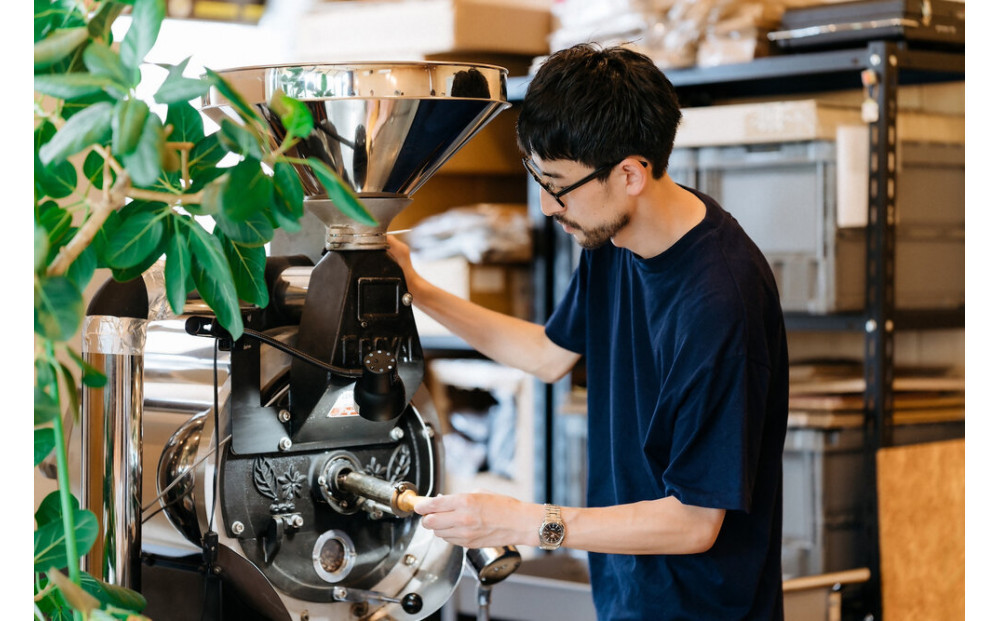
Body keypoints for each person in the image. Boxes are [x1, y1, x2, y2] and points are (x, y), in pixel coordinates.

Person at [387, 43, 789, 620]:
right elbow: (549, 353)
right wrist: (419, 290)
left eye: (558, 184)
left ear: (629, 173)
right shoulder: (612, 237)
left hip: (704, 608)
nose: (548, 206)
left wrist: (523, 519)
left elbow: (695, 522)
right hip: (627, 595)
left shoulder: (721, 301)